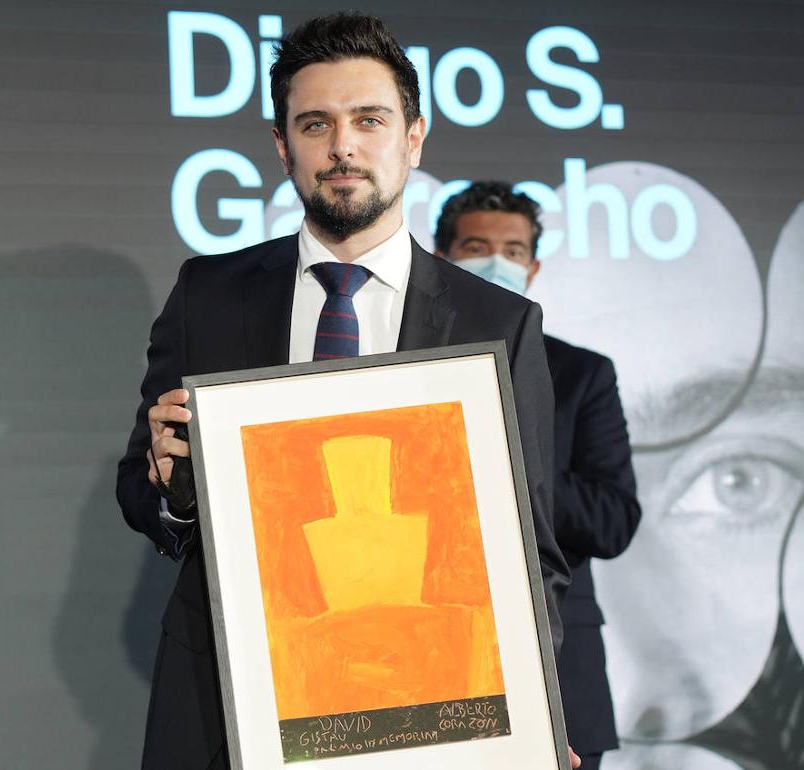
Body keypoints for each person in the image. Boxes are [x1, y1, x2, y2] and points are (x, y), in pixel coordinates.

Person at [117, 14, 573, 769]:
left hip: (426, 700)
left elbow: (530, 552)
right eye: (315, 124)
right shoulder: (208, 294)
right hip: (230, 700)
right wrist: (175, 493)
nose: (342, 147)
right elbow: (142, 492)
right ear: (282, 145)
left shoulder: (498, 322)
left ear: (413, 137)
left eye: (369, 120)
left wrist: (532, 714)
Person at [434, 180, 642, 770]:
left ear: (533, 267)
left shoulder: (582, 374)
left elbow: (614, 520)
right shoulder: (404, 364)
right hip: (434, 660)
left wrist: (512, 457)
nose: (495, 262)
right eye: (476, 247)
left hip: (559, 669)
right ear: (443, 257)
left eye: (513, 251)